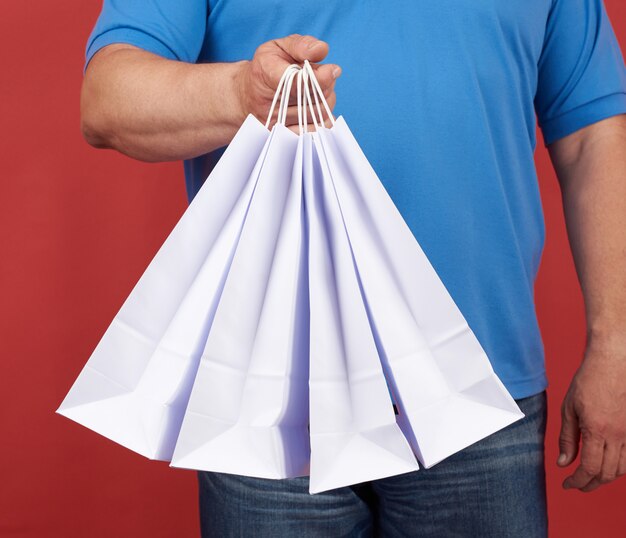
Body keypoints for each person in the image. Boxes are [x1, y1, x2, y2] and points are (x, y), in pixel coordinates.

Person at [80, 1, 626, 536]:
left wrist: (616, 345)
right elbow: (107, 100)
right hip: (271, 394)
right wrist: (240, 94)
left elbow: (593, 135)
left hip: (480, 387)